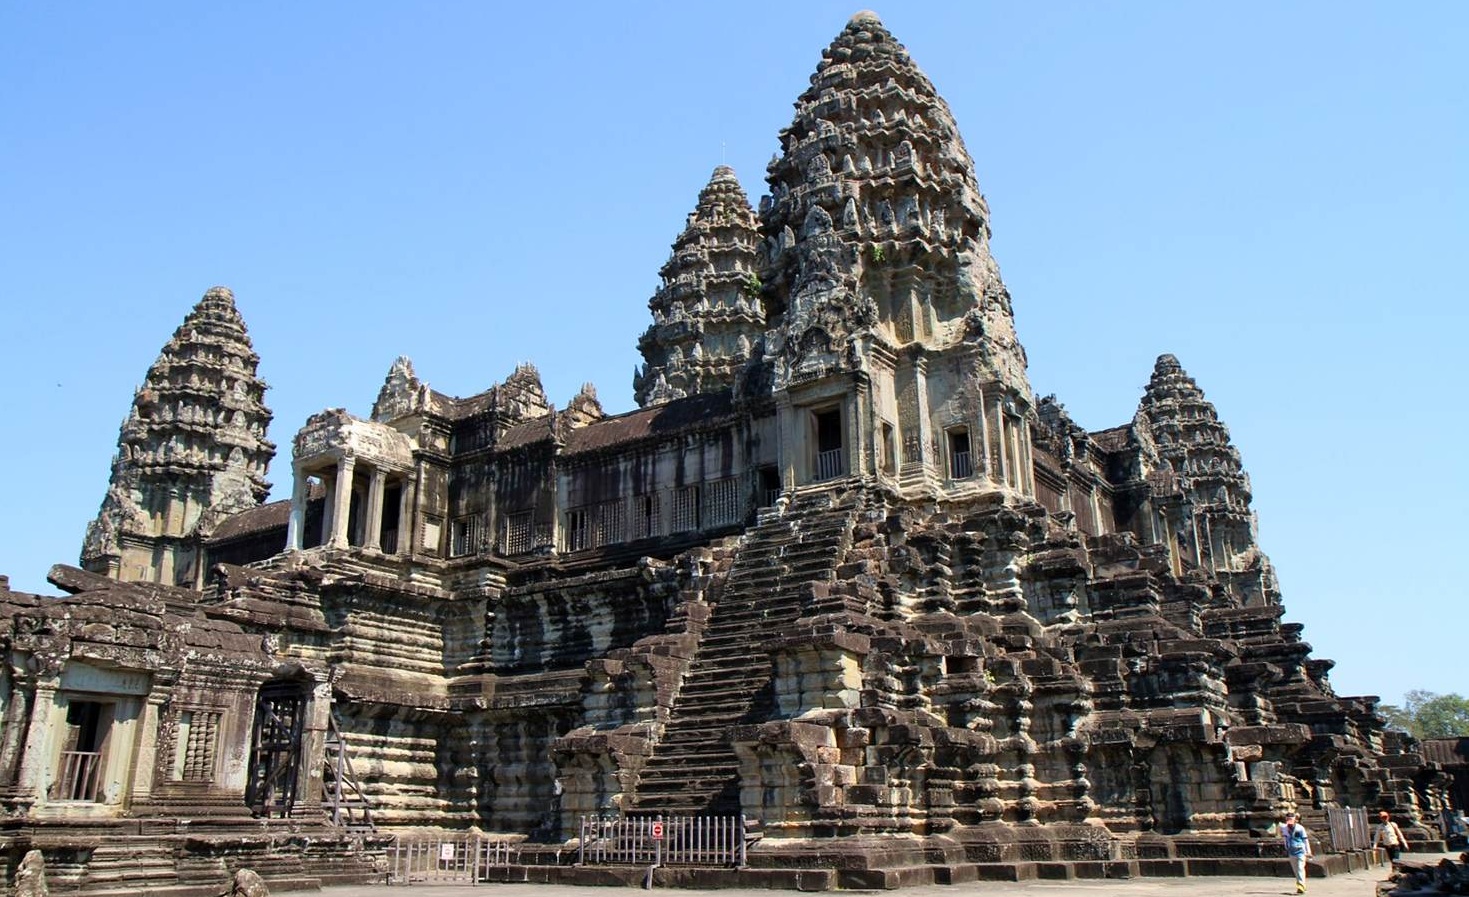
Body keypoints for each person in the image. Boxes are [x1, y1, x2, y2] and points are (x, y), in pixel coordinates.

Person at [1281, 811, 1313, 894]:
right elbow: (1285, 838)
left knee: (1300, 868)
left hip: (1301, 851)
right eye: (1288, 819)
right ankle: (1302, 885)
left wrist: (1308, 851)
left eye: (1291, 819)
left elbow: (1305, 840)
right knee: (1296, 870)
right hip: (1291, 851)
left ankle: (1300, 886)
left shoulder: (1300, 828)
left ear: (1295, 820)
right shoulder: (1284, 828)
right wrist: (1286, 847)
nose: (1289, 821)